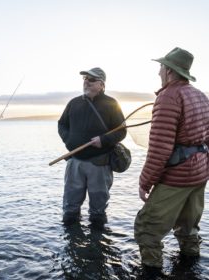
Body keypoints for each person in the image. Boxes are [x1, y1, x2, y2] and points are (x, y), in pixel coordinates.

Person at [134, 47, 209, 273]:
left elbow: (160, 148)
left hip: (178, 176)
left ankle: (152, 273)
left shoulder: (168, 96)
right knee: (188, 228)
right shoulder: (200, 95)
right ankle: (190, 270)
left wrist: (144, 182)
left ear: (168, 70)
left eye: (161, 67)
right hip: (200, 174)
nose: (158, 71)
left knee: (146, 229)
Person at [58, 67, 126, 227]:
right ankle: (71, 245)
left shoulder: (112, 104)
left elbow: (122, 131)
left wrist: (103, 140)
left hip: (100, 164)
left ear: (102, 84)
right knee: (70, 208)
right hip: (75, 162)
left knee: (98, 211)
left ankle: (96, 247)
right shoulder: (73, 103)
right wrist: (69, 140)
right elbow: (61, 124)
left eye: (91, 80)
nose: (86, 82)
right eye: (85, 79)